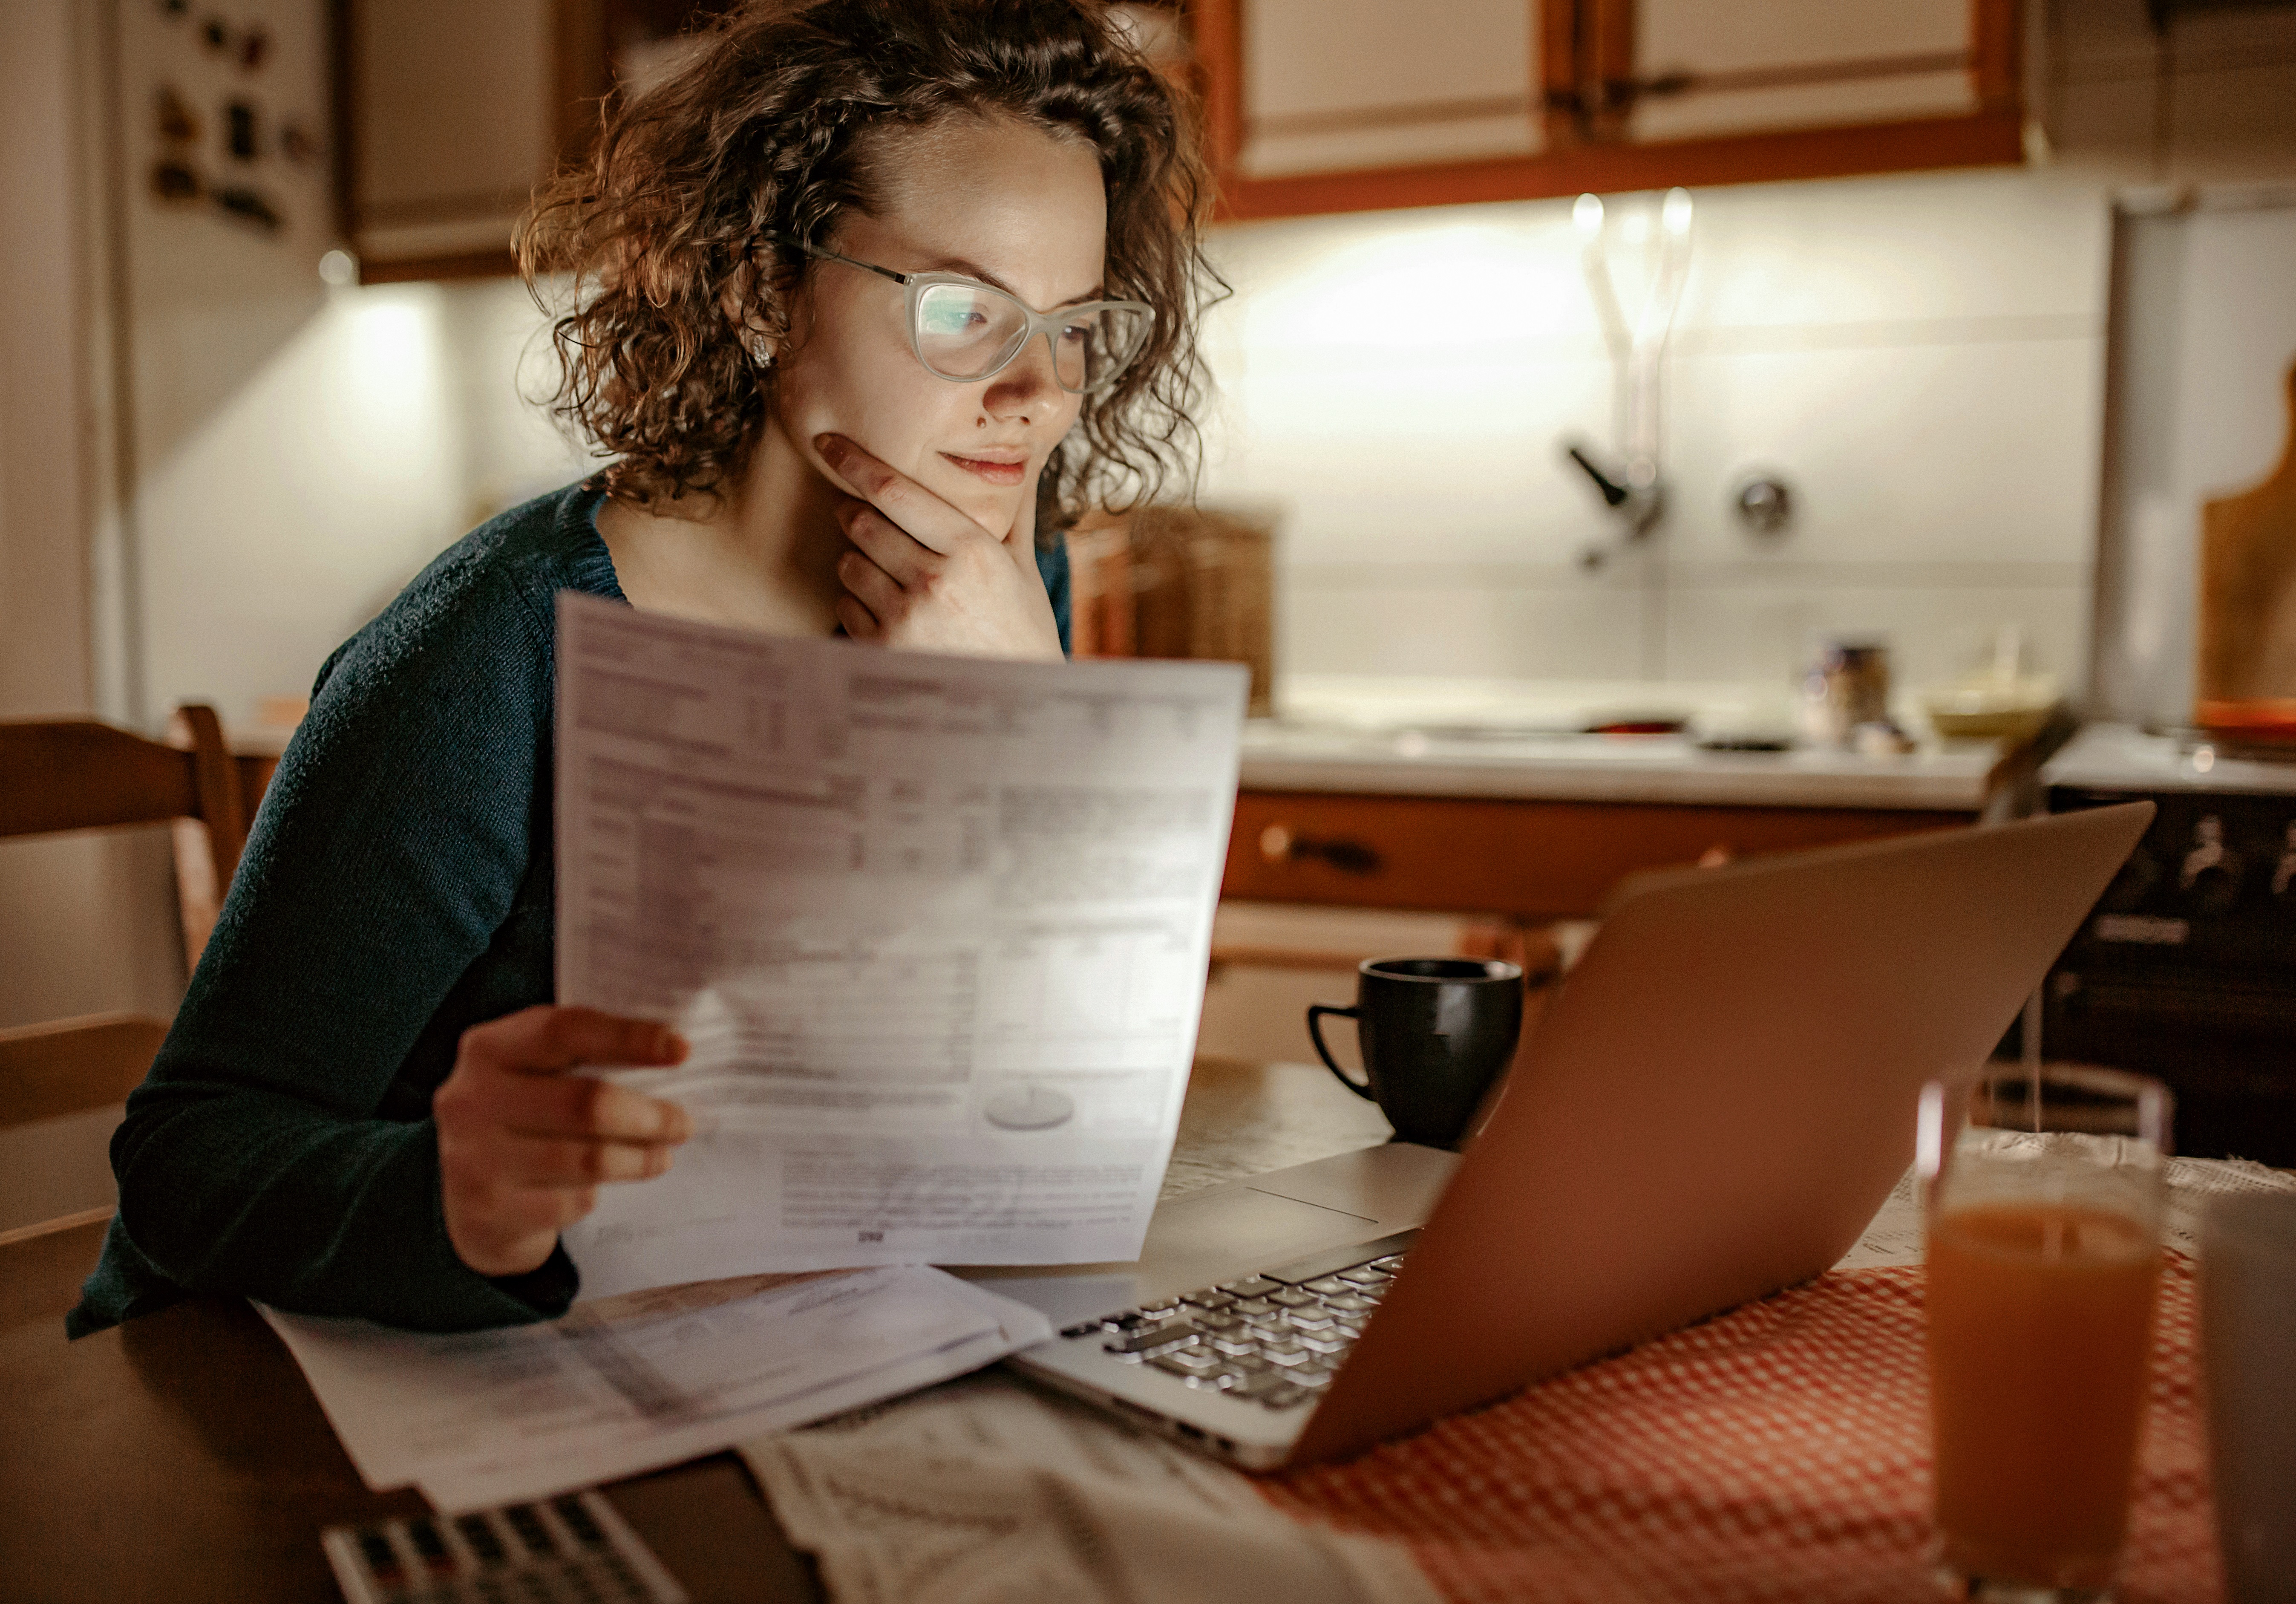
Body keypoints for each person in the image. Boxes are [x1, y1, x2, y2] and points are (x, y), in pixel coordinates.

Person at [70, 0, 1211, 1336]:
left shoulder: (1008, 595)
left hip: (745, 1350)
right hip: (305, 1384)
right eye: (967, 311)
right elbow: (185, 1158)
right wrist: (452, 1196)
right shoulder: (493, 647)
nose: (1040, 393)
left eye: (1075, 324)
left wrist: (1031, 730)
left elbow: (1034, 1119)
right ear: (760, 288)